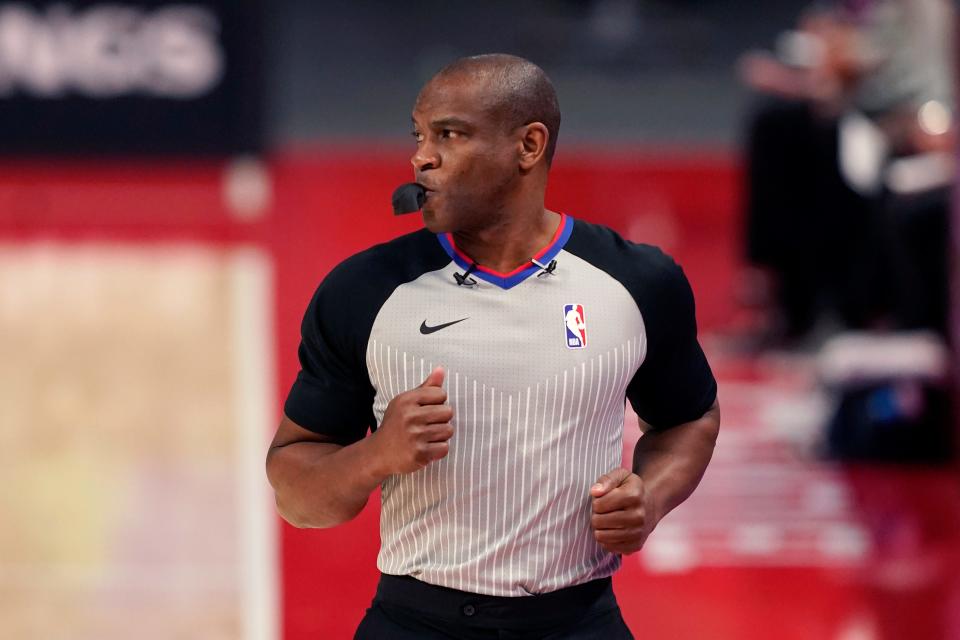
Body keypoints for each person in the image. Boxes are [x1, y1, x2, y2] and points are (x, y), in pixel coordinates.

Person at [266, 53, 720, 639]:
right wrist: (376, 454)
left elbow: (690, 417)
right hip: (415, 622)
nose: (421, 157)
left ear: (529, 146)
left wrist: (650, 499)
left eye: (450, 135)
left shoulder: (639, 282)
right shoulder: (364, 292)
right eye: (420, 135)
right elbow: (296, 496)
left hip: (579, 621)